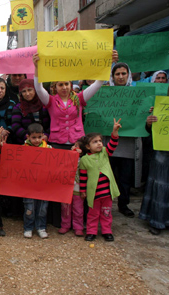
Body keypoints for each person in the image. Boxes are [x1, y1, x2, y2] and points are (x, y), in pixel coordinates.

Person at [32, 52, 109, 228]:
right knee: (59, 182)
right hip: (58, 144)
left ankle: (80, 220)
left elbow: (98, 83)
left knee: (79, 183)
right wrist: (37, 68)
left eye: (66, 84)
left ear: (71, 85)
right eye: (60, 85)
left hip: (78, 144)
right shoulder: (50, 101)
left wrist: (108, 63)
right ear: (55, 87)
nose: (64, 87)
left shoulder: (80, 99)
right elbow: (38, 88)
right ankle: (59, 219)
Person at [107, 62, 142, 218]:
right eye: (117, 74)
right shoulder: (105, 94)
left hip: (127, 144)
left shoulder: (137, 94)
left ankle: (123, 204)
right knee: (107, 177)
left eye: (123, 73)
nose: (120, 77)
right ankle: (105, 205)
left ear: (129, 75)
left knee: (125, 178)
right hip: (109, 143)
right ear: (113, 76)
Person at [79, 118, 122, 242]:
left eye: (100, 141)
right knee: (92, 214)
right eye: (95, 142)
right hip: (94, 194)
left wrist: (114, 131)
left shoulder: (104, 152)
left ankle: (107, 231)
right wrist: (83, 191)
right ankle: (91, 232)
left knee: (106, 213)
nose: (99, 144)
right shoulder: (84, 160)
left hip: (107, 193)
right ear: (88, 146)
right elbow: (83, 177)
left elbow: (113, 144)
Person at [139, 95, 169, 235]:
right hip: (163, 155)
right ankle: (156, 220)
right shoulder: (163, 106)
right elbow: (150, 131)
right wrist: (149, 123)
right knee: (161, 187)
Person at [22, 123, 52, 239]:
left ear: (43, 136)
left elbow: (59, 160)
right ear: (28, 137)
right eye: (33, 137)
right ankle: (28, 227)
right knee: (29, 207)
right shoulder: (23, 149)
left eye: (39, 137)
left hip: (43, 185)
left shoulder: (48, 148)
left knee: (43, 208)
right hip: (28, 185)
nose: (36, 140)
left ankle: (41, 227)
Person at [11, 79, 50, 145]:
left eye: (30, 90)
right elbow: (15, 126)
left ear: (35, 90)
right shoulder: (18, 108)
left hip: (45, 144)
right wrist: (29, 137)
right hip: (25, 144)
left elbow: (53, 122)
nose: (27, 94)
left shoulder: (44, 105)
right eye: (24, 91)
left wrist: (46, 135)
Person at [59, 142, 84, 236]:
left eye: (78, 146)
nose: (75, 147)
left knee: (78, 209)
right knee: (65, 208)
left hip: (78, 189)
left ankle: (78, 227)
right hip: (66, 189)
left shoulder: (83, 160)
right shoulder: (66, 159)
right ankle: (65, 225)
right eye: (74, 145)